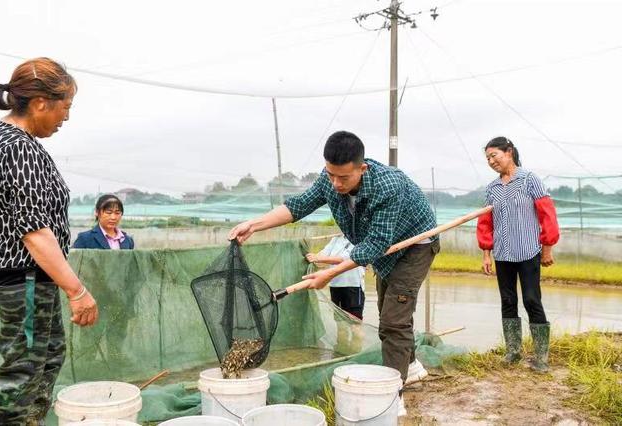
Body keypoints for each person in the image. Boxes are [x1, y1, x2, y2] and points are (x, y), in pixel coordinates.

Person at [229, 131, 439, 393]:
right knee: (392, 309)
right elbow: (299, 205)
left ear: (362, 168)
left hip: (414, 245)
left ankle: (390, 397)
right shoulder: (330, 179)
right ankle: (412, 366)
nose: (336, 184)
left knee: (393, 321)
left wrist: (328, 274)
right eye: (331, 175)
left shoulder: (388, 186)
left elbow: (375, 245)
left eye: (344, 177)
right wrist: (254, 224)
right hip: (385, 250)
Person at [0, 58, 98, 425]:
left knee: (46, 356)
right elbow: (34, 232)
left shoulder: (6, 140)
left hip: (29, 276)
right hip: (24, 274)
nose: (66, 117)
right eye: (65, 107)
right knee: (23, 369)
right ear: (40, 103)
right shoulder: (17, 147)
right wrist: (77, 291)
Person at [476, 136, 559, 372]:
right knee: (508, 300)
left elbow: (547, 214)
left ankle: (541, 357)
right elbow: (485, 223)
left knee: (532, 299)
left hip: (528, 251)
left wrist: (547, 248)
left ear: (509, 152)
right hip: (503, 253)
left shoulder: (529, 180)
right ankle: (513, 352)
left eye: (495, 155)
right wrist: (486, 254)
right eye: (488, 158)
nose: (491, 161)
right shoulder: (492, 189)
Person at [306, 235, 366, 352]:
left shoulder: (358, 237)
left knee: (355, 325)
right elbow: (323, 254)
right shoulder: (336, 239)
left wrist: (318, 259)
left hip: (353, 286)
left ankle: (356, 353)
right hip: (335, 285)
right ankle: (341, 351)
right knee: (340, 324)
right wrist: (312, 256)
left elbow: (345, 259)